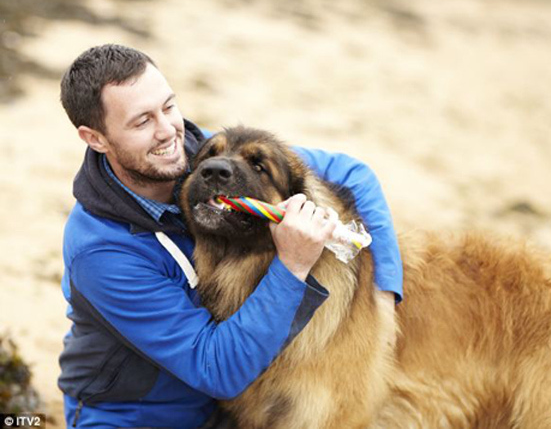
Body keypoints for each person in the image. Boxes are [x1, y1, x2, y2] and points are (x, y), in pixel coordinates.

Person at [58, 44, 403, 428]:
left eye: (168, 107)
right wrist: (292, 266)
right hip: (138, 417)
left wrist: (385, 291)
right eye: (142, 122)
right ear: (96, 139)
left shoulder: (201, 153)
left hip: (221, 409)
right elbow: (216, 369)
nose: (167, 131)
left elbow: (353, 172)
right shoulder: (102, 252)